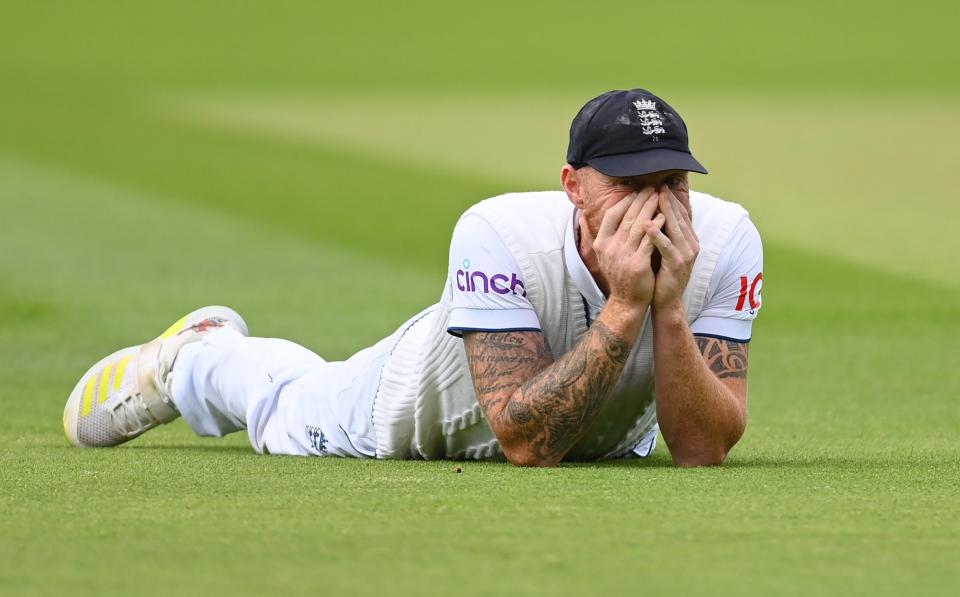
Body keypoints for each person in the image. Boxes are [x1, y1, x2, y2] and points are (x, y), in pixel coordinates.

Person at [63, 88, 764, 467]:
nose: (655, 211)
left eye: (672, 182)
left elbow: (702, 449)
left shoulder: (727, 240)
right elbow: (525, 442)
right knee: (282, 402)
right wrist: (623, 307)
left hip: (600, 435)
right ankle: (196, 357)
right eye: (627, 185)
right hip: (407, 410)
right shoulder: (499, 234)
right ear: (573, 186)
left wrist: (667, 311)